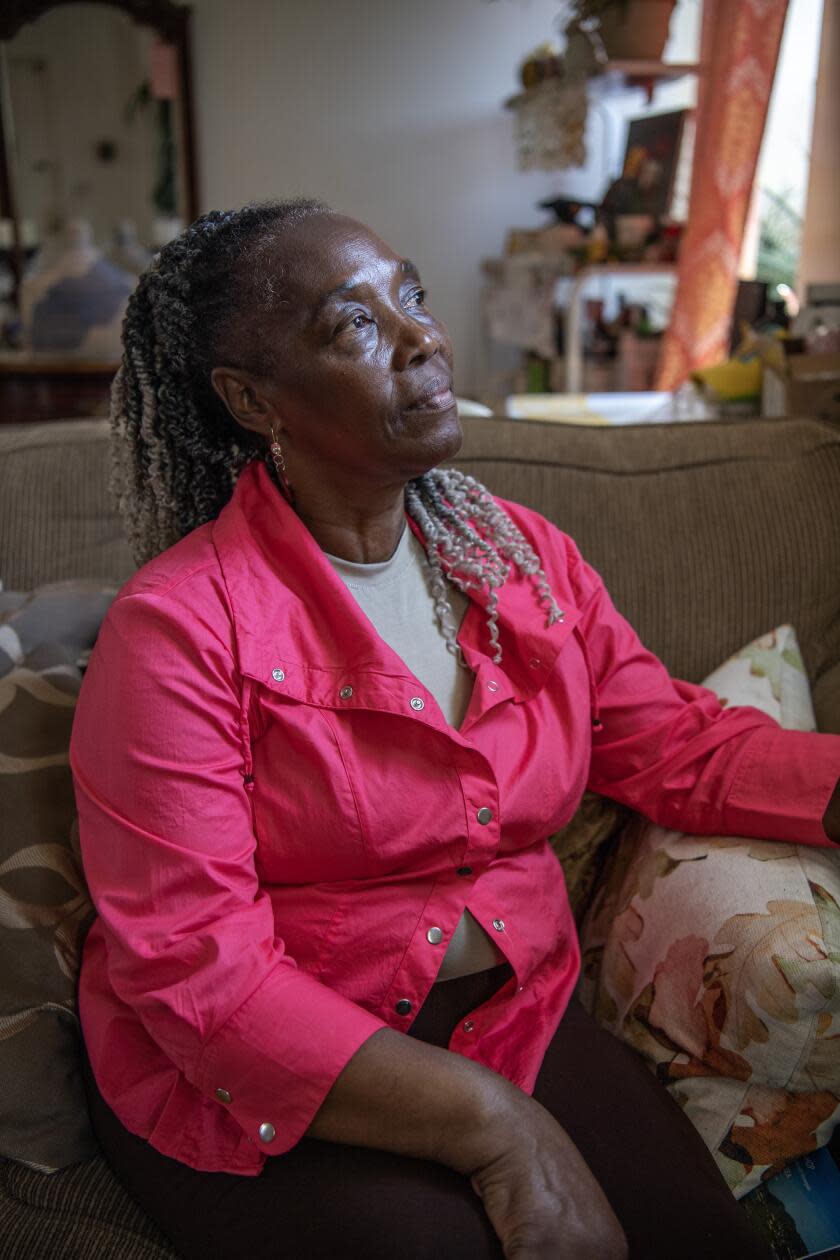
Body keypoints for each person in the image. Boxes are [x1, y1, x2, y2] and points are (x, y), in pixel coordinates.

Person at [71, 199, 840, 1260]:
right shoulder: (178, 631)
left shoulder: (518, 557)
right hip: (261, 1061)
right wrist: (497, 1129)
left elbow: (676, 744)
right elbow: (195, 971)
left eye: (413, 298)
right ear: (252, 400)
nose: (424, 337)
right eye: (356, 326)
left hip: (513, 1015)